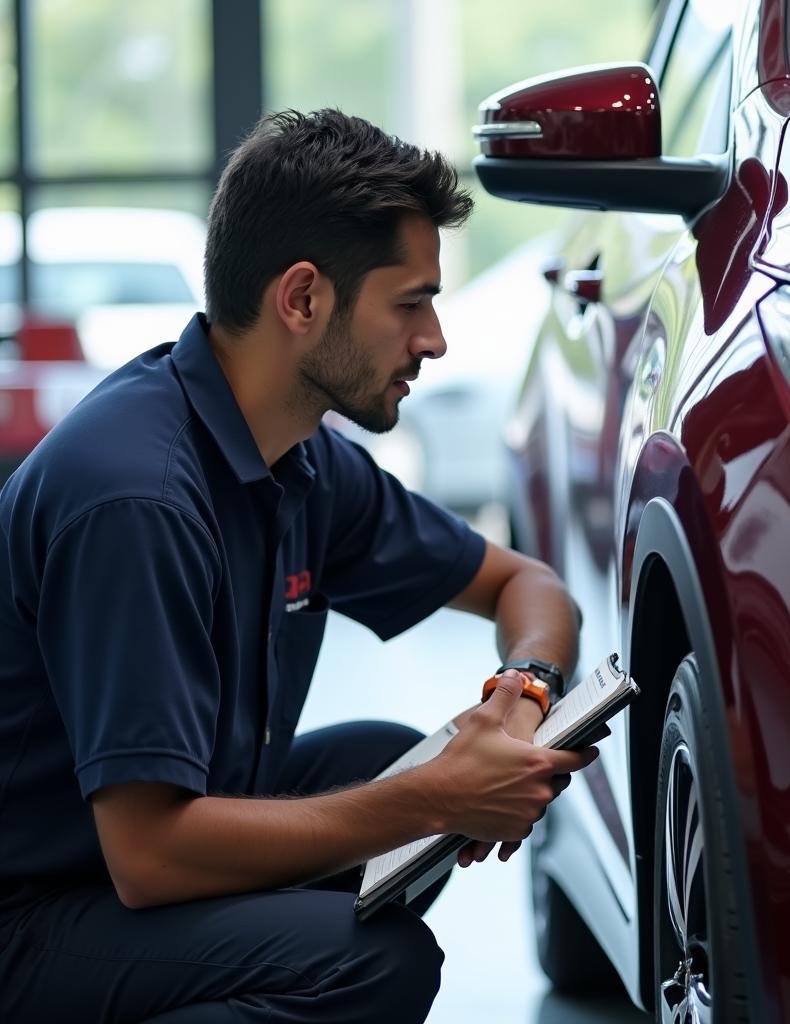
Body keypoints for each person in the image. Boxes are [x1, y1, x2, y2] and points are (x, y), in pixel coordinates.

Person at [0, 108, 596, 1024]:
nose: (434, 339)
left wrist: (519, 697)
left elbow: (529, 587)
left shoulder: (303, 460)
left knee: (382, 763)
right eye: (410, 303)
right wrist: (432, 796)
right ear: (304, 299)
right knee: (374, 962)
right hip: (35, 917)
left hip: (127, 867)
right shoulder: (138, 499)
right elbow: (151, 855)